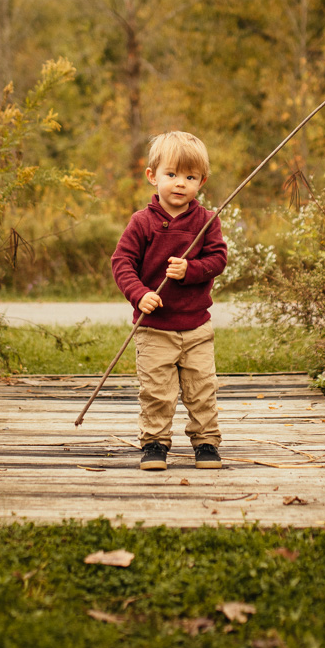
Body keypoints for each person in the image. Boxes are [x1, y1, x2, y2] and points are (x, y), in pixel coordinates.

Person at [111, 131, 229, 470]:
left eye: (190, 177)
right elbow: (122, 263)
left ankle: (206, 443)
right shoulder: (142, 222)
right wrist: (140, 294)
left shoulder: (206, 221)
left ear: (201, 181)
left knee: (202, 389)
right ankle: (155, 444)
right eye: (172, 174)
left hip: (195, 328)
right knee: (157, 392)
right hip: (154, 329)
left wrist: (190, 270)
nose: (180, 184)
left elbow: (218, 260)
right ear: (153, 176)